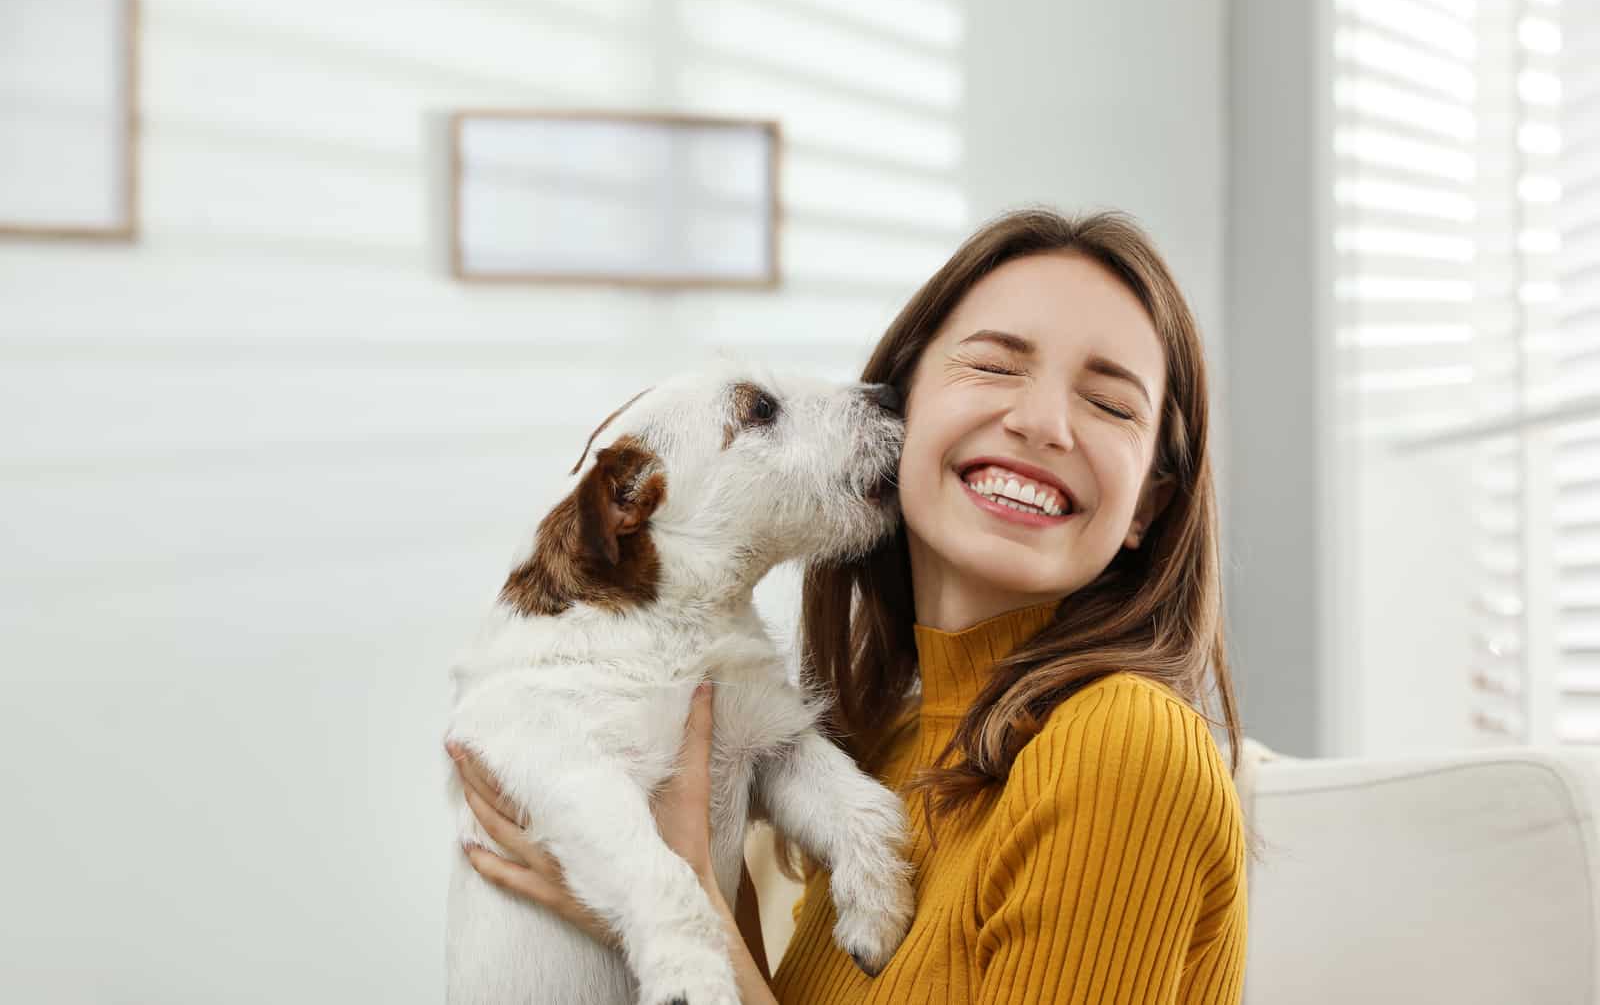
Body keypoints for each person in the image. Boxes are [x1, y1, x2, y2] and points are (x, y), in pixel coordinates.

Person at [447, 207, 1251, 1003]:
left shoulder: (1124, 747)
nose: (1040, 424)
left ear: (1148, 504)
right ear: (903, 401)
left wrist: (683, 900)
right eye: (996, 366)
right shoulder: (891, 745)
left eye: (1111, 404)